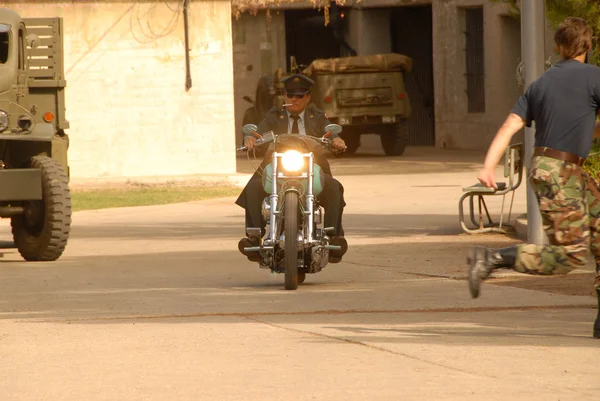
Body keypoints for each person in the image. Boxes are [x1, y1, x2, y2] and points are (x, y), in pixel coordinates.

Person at [467, 16, 600, 339]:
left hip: (555, 167)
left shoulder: (540, 83)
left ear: (558, 47)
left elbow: (509, 126)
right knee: (569, 254)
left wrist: (488, 166)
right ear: (589, 46)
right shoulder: (595, 77)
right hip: (560, 172)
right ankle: (494, 258)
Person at [235, 74, 349, 263]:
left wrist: (336, 140)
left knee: (334, 187)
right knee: (254, 186)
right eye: (290, 95)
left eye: (299, 95)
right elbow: (258, 130)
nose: (293, 99)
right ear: (285, 96)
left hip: (312, 166)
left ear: (307, 97)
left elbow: (329, 131)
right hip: (278, 165)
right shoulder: (274, 115)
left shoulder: (317, 116)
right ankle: (253, 236)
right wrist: (251, 138)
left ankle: (334, 236)